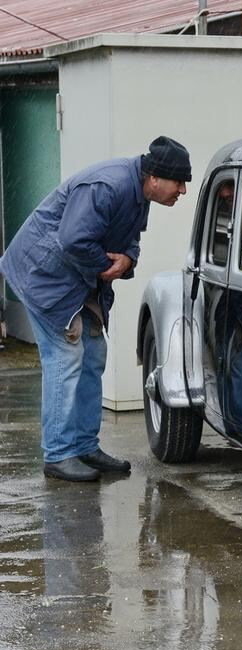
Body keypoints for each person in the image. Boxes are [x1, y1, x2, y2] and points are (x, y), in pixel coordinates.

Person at [0, 136, 191, 482]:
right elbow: (73, 240)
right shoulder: (108, 186)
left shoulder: (139, 194)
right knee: (66, 355)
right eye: (179, 182)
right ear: (155, 178)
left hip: (75, 279)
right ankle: (58, 454)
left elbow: (130, 239)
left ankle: (84, 446)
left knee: (93, 353)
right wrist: (108, 265)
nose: (182, 190)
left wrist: (128, 259)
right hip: (43, 276)